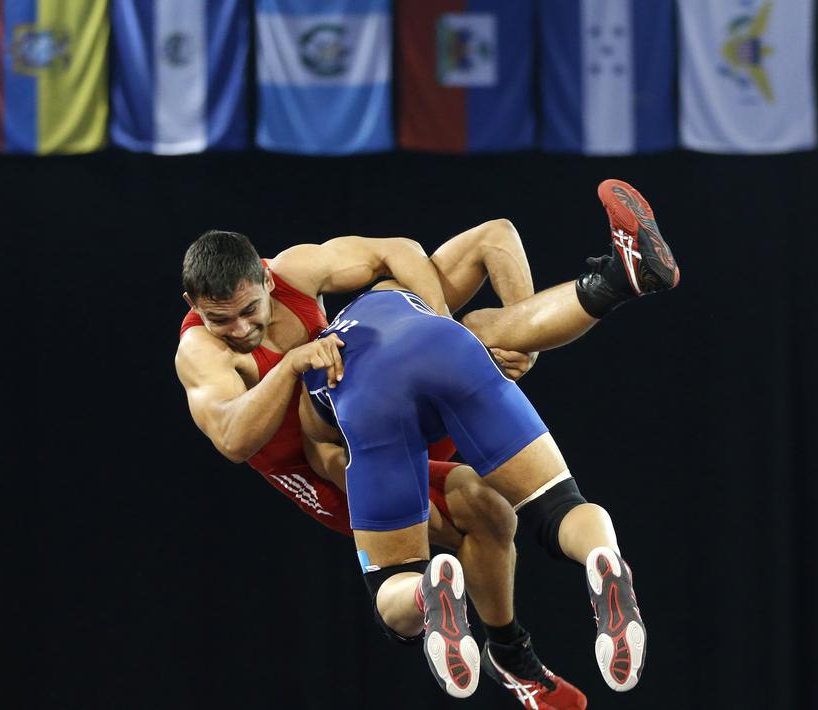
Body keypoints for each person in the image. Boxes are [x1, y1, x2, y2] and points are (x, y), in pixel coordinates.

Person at [175, 180, 676, 705]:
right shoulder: (200, 351)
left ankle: (450, 609)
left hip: (367, 414)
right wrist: (296, 365)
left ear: (265, 278)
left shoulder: (294, 269)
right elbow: (234, 439)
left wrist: (438, 319)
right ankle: (618, 280)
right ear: (193, 306)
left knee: (424, 559)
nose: (239, 329)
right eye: (220, 319)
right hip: (325, 459)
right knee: (509, 503)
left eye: (248, 310)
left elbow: (411, 249)